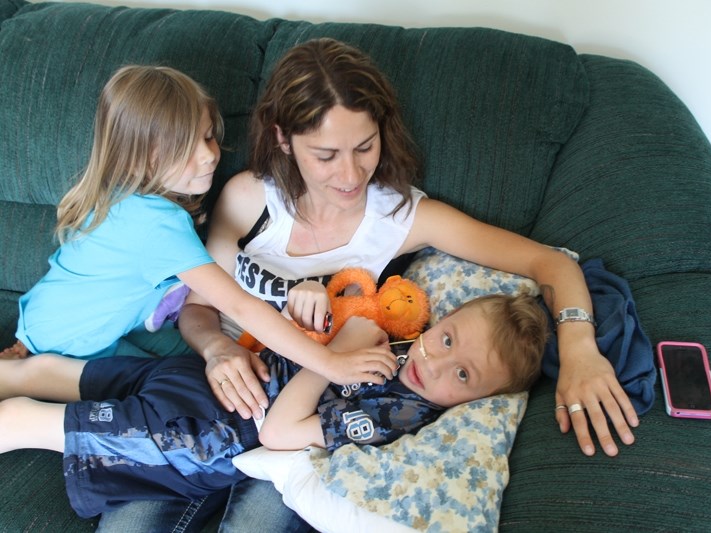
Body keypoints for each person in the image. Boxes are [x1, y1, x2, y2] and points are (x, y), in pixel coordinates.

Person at [103, 38, 641, 531]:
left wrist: (579, 349)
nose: (351, 175)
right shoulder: (248, 199)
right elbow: (199, 305)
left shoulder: (400, 216)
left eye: (365, 146)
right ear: (283, 140)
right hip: (211, 398)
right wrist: (217, 347)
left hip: (300, 432)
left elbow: (552, 264)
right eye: (326, 155)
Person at [0, 65, 396, 391]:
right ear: (140, 158)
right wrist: (331, 364)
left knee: (195, 364)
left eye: (208, 136)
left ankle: (28, 359)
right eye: (185, 148)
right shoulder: (156, 224)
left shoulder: (125, 195)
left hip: (47, 321)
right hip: (71, 345)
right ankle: (23, 379)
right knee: (178, 387)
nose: (209, 155)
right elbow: (240, 305)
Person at [0, 292, 549, 519]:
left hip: (217, 423)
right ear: (443, 319)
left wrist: (333, 356)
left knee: (44, 396)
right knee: (45, 377)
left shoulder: (399, 414)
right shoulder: (403, 341)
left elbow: (285, 431)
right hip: (217, 390)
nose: (434, 363)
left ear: (479, 400)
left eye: (462, 374)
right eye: (447, 339)